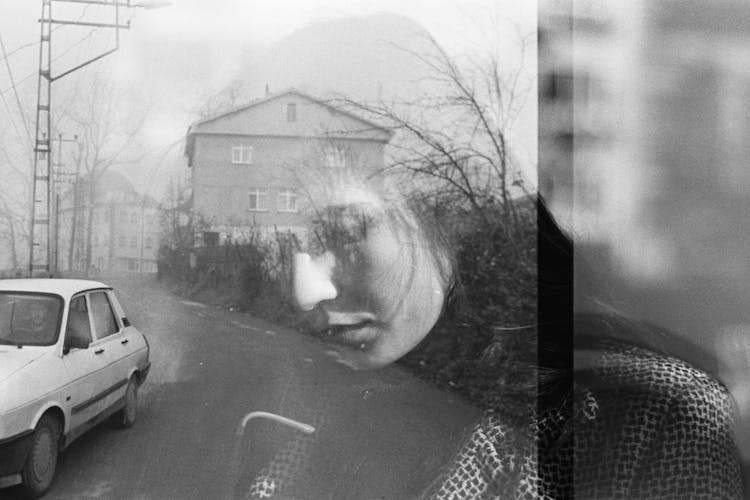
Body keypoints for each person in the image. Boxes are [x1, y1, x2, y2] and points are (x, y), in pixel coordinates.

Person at [247, 168, 745, 498]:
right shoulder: (348, 414)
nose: (304, 291)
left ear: (431, 222)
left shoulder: (655, 417)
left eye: (346, 232)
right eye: (298, 245)